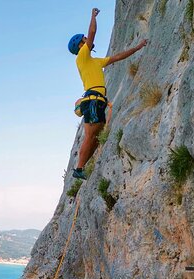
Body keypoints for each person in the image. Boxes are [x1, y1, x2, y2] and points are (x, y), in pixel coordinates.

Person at [69, 7, 148, 180]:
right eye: (84, 39)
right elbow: (92, 32)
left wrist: (136, 48)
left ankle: (81, 169)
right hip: (93, 100)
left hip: (97, 101)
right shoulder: (82, 56)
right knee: (91, 135)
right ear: (81, 45)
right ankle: (79, 168)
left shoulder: (93, 61)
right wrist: (92, 16)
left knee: (97, 137)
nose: (86, 39)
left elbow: (117, 57)